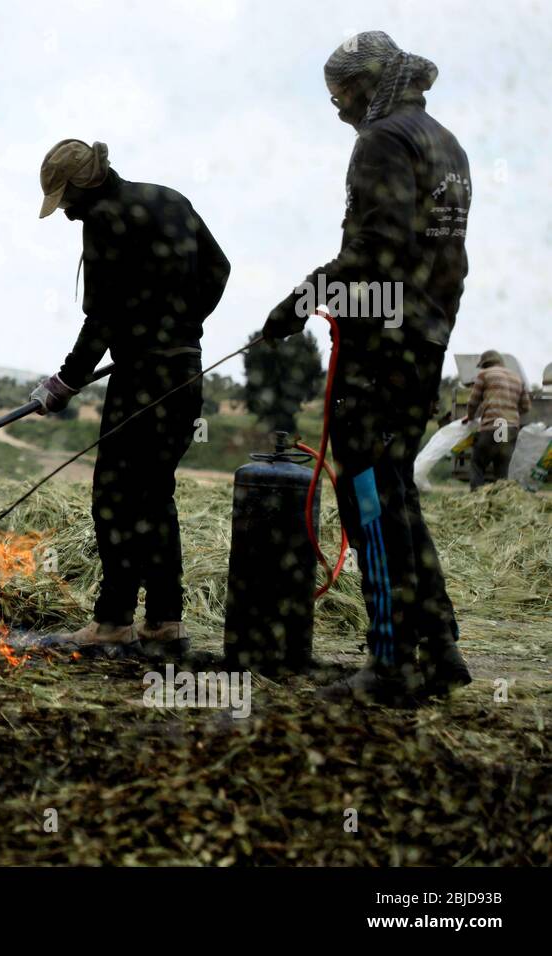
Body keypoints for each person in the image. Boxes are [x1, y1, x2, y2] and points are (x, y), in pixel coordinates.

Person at [262, 31, 472, 703]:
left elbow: (376, 250)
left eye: (343, 93)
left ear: (372, 84)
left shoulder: (383, 140)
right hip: (425, 338)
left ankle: (390, 662)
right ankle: (438, 648)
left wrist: (298, 302)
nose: (340, 108)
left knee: (371, 498)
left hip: (382, 346)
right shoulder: (443, 142)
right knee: (397, 489)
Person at [32, 138, 231, 656]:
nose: (68, 213)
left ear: (81, 186)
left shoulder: (103, 219)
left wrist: (64, 383)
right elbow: (220, 269)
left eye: (66, 199)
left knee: (115, 497)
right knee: (155, 495)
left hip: (142, 378)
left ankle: (114, 621)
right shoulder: (170, 200)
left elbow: (102, 319)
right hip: (184, 372)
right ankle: (165, 622)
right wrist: (182, 328)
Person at [466, 350, 530, 489]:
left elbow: (472, 402)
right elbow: (526, 407)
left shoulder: (484, 375)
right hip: (510, 429)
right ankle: (501, 502)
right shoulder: (517, 378)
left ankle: (476, 500)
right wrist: (510, 413)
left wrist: (470, 417)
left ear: (485, 364)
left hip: (493, 426)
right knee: (501, 469)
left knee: (478, 464)